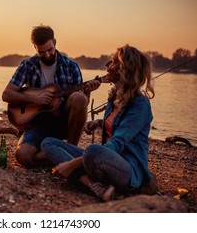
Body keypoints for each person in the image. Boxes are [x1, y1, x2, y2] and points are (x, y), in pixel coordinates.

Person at [41, 44, 156, 202]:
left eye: (113, 62)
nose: (107, 65)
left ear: (125, 69)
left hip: (127, 170)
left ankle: (83, 177)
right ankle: (95, 186)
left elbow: (117, 143)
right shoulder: (115, 97)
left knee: (93, 150)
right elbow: (119, 124)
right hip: (102, 162)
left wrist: (72, 164)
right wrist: (98, 122)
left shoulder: (140, 104)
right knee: (48, 142)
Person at [2, 25, 100, 168]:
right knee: (22, 156)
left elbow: (81, 104)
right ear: (35, 47)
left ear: (55, 42)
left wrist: (89, 91)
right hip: (36, 125)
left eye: (50, 50)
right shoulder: (27, 65)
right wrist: (33, 99)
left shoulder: (70, 66)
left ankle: (70, 153)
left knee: (78, 98)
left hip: (63, 124)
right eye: (42, 52)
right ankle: (60, 157)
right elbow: (7, 94)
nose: (47, 55)